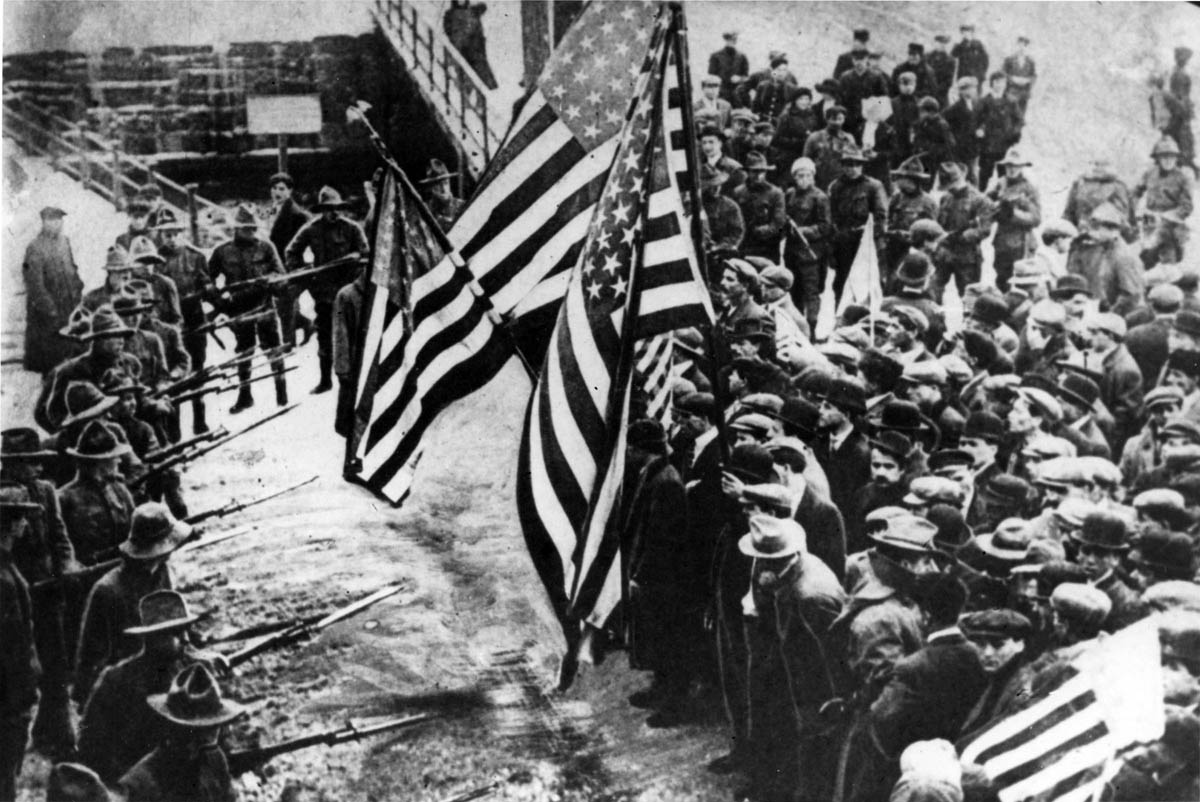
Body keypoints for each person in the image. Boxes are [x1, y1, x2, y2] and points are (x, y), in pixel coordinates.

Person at [848, 574, 986, 802]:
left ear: (925, 616)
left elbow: (881, 718)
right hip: (959, 765)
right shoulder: (978, 655)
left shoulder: (911, 668)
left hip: (914, 769)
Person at [740, 515, 845, 802]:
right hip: (792, 674)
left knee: (810, 759)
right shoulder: (790, 570)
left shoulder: (811, 594)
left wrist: (828, 704)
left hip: (814, 691)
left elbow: (833, 653)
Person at [79, 591, 222, 784]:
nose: (187, 640)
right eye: (177, 634)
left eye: (186, 631)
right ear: (154, 638)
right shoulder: (116, 681)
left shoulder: (189, 674)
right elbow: (91, 748)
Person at [1, 429, 77, 759]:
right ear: (13, 464)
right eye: (31, 463)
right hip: (15, 596)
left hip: (48, 593)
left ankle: (56, 732)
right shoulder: (4, 500)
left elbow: (60, 537)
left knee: (56, 664)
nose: (38, 469)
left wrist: (67, 568)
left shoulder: (46, 492)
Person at [74, 502, 187, 707]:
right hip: (124, 691)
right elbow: (90, 660)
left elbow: (179, 634)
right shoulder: (108, 590)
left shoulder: (165, 574)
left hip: (164, 681)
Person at [285, 187, 369, 395]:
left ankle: (353, 379)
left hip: (348, 291)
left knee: (351, 334)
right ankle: (325, 380)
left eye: (337, 208)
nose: (334, 213)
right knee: (325, 336)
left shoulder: (352, 228)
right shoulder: (311, 229)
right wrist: (308, 275)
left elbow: (367, 254)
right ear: (322, 210)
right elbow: (291, 252)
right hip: (324, 293)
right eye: (329, 209)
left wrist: (355, 259)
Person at [118, 663, 243, 802]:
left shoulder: (214, 760)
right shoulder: (139, 784)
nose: (215, 733)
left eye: (211, 728)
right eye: (189, 734)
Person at [208, 204, 289, 413]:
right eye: (246, 229)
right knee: (244, 354)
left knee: (274, 350)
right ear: (236, 229)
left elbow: (280, 275)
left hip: (264, 308)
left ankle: (282, 396)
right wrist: (221, 303)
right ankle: (245, 396)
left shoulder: (266, 247)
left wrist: (269, 281)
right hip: (239, 312)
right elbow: (207, 280)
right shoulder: (222, 252)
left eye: (253, 229)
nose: (251, 233)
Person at [153, 210, 214, 434]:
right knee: (173, 377)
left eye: (174, 233)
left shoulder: (196, 256)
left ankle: (200, 421)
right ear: (160, 235)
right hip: (169, 328)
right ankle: (174, 429)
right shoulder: (154, 261)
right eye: (166, 234)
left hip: (195, 323)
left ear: (180, 233)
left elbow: (208, 286)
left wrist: (208, 289)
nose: (170, 238)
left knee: (198, 372)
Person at [34, 307, 141, 433]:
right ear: (98, 340)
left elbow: (138, 399)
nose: (121, 341)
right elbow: (48, 413)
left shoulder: (129, 363)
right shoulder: (70, 370)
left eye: (122, 335)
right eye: (114, 336)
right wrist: (71, 436)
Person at [0, 485, 42, 802]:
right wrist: (23, 695)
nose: (26, 524)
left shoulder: (7, 564)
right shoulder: (4, 578)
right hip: (8, 697)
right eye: (22, 518)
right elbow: (11, 645)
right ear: (10, 524)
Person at [23, 206, 83, 373]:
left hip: (68, 310)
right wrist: (51, 311)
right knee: (50, 364)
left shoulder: (65, 242)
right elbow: (35, 285)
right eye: (51, 221)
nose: (56, 224)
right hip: (47, 318)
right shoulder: (35, 247)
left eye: (59, 220)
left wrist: (78, 291)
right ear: (43, 222)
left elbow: (73, 270)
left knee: (70, 360)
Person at [828, 145, 888, 305]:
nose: (852, 168)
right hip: (843, 243)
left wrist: (873, 237)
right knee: (841, 283)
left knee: (866, 285)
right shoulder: (836, 186)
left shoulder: (873, 186)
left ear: (862, 166)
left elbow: (881, 217)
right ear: (843, 166)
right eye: (848, 164)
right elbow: (830, 216)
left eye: (856, 164)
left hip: (866, 244)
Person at [1065, 203, 1145, 317]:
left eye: (1096, 228)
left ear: (1113, 230)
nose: (1092, 233)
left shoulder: (1124, 256)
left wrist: (1109, 318)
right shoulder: (1102, 250)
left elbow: (1130, 296)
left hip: (1124, 319)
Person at [932, 161, 992, 302]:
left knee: (969, 297)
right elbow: (940, 224)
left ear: (959, 180)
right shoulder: (945, 198)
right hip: (944, 254)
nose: (949, 189)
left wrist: (963, 236)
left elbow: (984, 229)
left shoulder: (979, 200)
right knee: (933, 291)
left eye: (951, 185)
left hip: (967, 257)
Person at [783, 157, 831, 333]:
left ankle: (811, 328)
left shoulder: (820, 197)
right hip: (792, 252)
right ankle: (798, 329)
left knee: (811, 293)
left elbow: (825, 226)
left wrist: (803, 231)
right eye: (799, 176)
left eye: (807, 175)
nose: (803, 179)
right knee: (794, 292)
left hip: (811, 253)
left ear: (813, 177)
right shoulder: (789, 194)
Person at [267, 172, 313, 348]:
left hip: (289, 263)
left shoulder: (295, 214)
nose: (277, 192)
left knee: (285, 302)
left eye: (281, 188)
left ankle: (288, 342)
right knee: (283, 303)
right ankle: (306, 324)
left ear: (290, 191)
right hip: (275, 262)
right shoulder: (275, 209)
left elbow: (303, 239)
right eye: (274, 188)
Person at [1133, 137, 1194, 269]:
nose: (1168, 161)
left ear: (1176, 158)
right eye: (1164, 157)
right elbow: (1136, 192)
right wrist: (1135, 209)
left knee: (1168, 260)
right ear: (1158, 159)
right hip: (1149, 221)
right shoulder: (1149, 173)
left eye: (1171, 157)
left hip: (1171, 225)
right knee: (1145, 256)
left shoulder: (1182, 177)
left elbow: (1186, 207)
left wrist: (1167, 216)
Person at [986, 148, 1041, 291]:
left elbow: (1036, 218)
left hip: (1021, 242)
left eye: (1015, 166)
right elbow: (985, 204)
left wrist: (1013, 214)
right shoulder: (1000, 183)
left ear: (1022, 167)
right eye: (1008, 165)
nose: (1011, 169)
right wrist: (995, 208)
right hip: (1002, 241)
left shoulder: (1029, 188)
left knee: (1021, 282)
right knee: (1002, 280)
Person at [885, 157, 937, 281]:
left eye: (901, 178)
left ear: (912, 180)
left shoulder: (928, 202)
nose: (897, 182)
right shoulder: (896, 198)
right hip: (894, 248)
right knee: (892, 281)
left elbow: (932, 231)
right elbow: (888, 219)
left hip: (915, 251)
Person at [733, 152, 787, 262]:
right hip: (744, 245)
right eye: (754, 171)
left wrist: (761, 232)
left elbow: (778, 222)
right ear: (748, 172)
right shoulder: (738, 192)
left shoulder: (775, 193)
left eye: (762, 171)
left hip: (767, 247)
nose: (758, 175)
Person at [1062, 156, 1134, 236]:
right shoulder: (1120, 186)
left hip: (1084, 236)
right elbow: (1129, 221)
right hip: (1111, 238)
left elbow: (1068, 217)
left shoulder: (1080, 184)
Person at [977, 73, 1025, 190]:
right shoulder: (984, 102)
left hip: (1004, 145)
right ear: (991, 83)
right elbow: (976, 120)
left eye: (1002, 83)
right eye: (996, 82)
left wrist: (1013, 134)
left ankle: (1003, 198)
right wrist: (979, 130)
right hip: (988, 145)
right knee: (984, 174)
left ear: (1005, 85)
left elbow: (1019, 121)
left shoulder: (1011, 102)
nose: (999, 85)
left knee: (1004, 175)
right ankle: (981, 195)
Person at [837, 49, 890, 142]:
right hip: (850, 120)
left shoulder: (876, 77)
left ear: (867, 60)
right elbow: (840, 100)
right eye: (856, 59)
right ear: (852, 60)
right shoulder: (845, 77)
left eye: (862, 59)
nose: (859, 62)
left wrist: (875, 107)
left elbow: (884, 98)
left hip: (869, 120)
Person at [442, 0, 496, 89]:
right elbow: (450, 32)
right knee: (468, 77)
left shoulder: (472, 12)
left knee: (483, 75)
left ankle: (491, 91)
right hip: (463, 50)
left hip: (476, 50)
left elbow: (482, 8)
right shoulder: (450, 15)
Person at [802, 104, 857, 192]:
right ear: (827, 119)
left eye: (840, 119)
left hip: (842, 180)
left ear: (844, 120)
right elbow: (806, 161)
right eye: (833, 119)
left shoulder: (848, 138)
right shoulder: (815, 137)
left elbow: (854, 160)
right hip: (820, 180)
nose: (837, 122)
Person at [700, 163, 744, 256]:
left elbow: (736, 233)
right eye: (711, 186)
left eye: (718, 184)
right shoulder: (696, 205)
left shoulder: (729, 206)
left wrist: (719, 247)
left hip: (722, 252)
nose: (716, 188)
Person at [944, 77, 982, 184]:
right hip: (961, 147)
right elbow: (945, 123)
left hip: (974, 147)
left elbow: (984, 119)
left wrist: (981, 129)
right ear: (961, 91)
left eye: (972, 88)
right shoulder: (955, 108)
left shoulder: (978, 105)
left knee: (972, 172)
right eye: (965, 89)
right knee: (968, 175)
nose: (969, 91)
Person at [770, 88, 818, 174]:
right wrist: (798, 142)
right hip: (789, 155)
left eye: (807, 99)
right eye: (801, 99)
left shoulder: (812, 116)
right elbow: (777, 139)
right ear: (795, 100)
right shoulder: (786, 116)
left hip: (807, 155)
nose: (804, 102)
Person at [1167, 46, 1195, 171]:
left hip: (1180, 110)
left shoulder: (1178, 74)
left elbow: (1181, 95)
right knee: (1180, 137)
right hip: (1179, 110)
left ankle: (1183, 162)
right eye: (1182, 58)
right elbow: (1179, 95)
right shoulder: (1179, 74)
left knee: (1181, 137)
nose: (1184, 60)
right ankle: (1183, 162)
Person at [420, 158, 465, 233]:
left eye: (445, 183)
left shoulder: (463, 207)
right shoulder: (425, 211)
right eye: (438, 185)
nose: (443, 188)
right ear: (431, 188)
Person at [911, 96, 956, 170]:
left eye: (922, 111)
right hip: (927, 161)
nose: (920, 114)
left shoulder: (941, 125)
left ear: (931, 112)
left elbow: (950, 144)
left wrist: (932, 148)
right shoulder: (924, 122)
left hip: (939, 162)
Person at [708, 31, 749, 105]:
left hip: (737, 94)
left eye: (734, 40)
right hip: (722, 93)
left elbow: (746, 77)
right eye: (729, 40)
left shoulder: (742, 56)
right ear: (726, 40)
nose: (732, 42)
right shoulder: (716, 56)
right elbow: (711, 76)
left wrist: (739, 78)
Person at [1001, 36, 1037, 113]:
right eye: (1020, 45)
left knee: (1021, 116)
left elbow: (1034, 76)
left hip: (1024, 92)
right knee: (1010, 114)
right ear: (1016, 45)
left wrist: (1027, 80)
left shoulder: (1030, 61)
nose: (1022, 48)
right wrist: (1012, 78)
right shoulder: (1009, 59)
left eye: (1025, 45)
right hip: (1011, 91)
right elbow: (1002, 73)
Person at [926, 35, 957, 107]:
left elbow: (949, 81)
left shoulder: (950, 60)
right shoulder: (927, 56)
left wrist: (937, 90)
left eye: (944, 43)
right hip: (927, 92)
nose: (941, 45)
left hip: (941, 94)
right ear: (935, 43)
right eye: (939, 43)